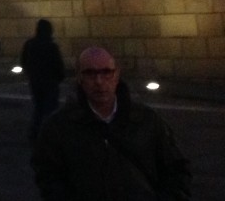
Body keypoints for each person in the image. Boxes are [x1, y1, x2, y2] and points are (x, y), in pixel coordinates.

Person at [32, 46, 191, 200]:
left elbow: (176, 170)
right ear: (79, 78)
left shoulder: (147, 120)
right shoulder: (59, 127)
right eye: (90, 73)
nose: (99, 81)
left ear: (117, 75)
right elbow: (48, 177)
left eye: (106, 72)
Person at [21, 18, 66, 139]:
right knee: (50, 109)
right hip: (49, 81)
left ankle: (35, 132)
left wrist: (30, 73)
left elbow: (24, 60)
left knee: (38, 107)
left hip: (35, 81)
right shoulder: (51, 46)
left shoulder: (30, 44)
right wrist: (60, 77)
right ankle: (47, 134)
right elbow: (58, 64)